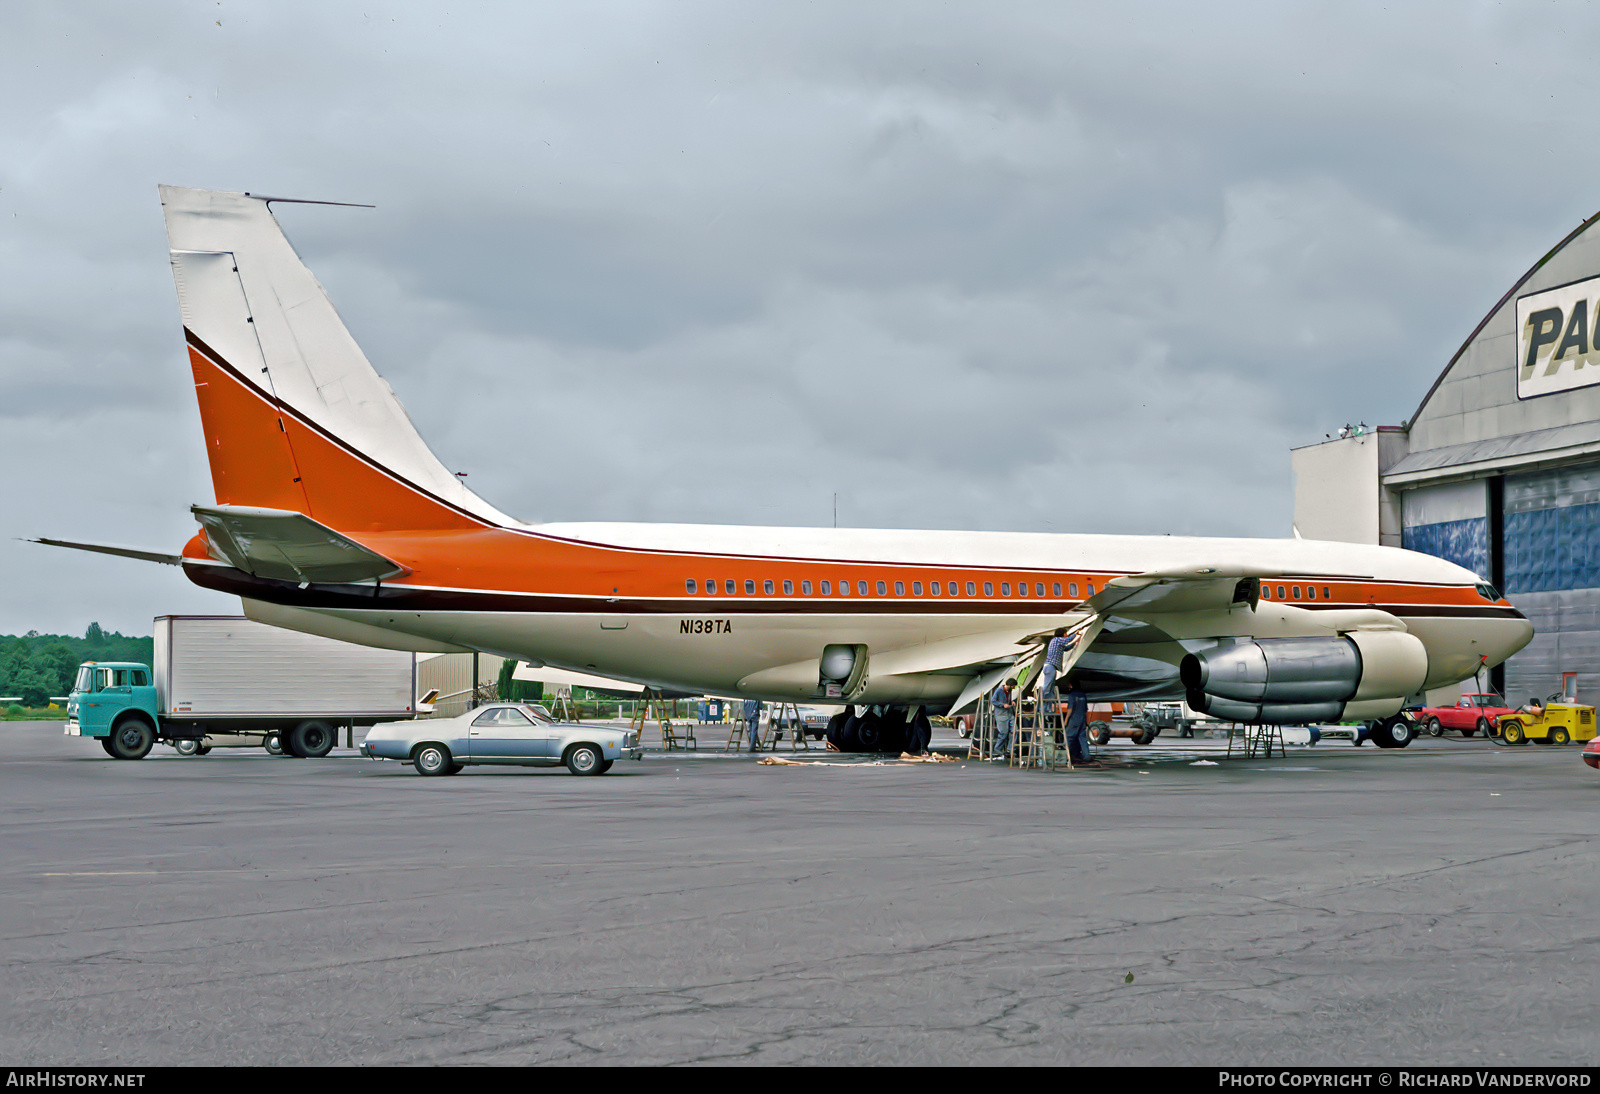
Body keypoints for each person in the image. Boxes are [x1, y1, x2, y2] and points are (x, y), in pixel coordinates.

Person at [1037, 627, 1076, 725]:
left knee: (1050, 691)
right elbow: (1068, 640)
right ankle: (1039, 706)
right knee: (1047, 688)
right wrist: (1076, 634)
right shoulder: (1057, 640)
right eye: (1066, 633)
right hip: (1050, 667)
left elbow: (1066, 648)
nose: (1067, 635)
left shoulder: (1057, 642)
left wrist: (1075, 643)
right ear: (1062, 634)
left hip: (1051, 667)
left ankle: (1047, 711)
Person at [1063, 678, 1090, 765]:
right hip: (1082, 720)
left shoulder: (1072, 695)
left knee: (1068, 738)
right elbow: (1085, 709)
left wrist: (1066, 721)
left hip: (1074, 720)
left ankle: (1066, 757)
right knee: (1082, 738)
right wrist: (1086, 721)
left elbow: (1070, 709)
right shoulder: (1083, 695)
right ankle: (1087, 757)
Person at [991, 678, 1017, 758]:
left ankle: (1010, 749)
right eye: (1013, 686)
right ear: (1009, 685)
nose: (1014, 688)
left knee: (1015, 730)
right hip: (1001, 714)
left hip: (1009, 713)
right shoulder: (999, 690)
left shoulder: (1009, 691)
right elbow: (993, 701)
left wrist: (1011, 702)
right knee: (1003, 733)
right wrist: (1002, 705)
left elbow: (1008, 700)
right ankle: (998, 749)